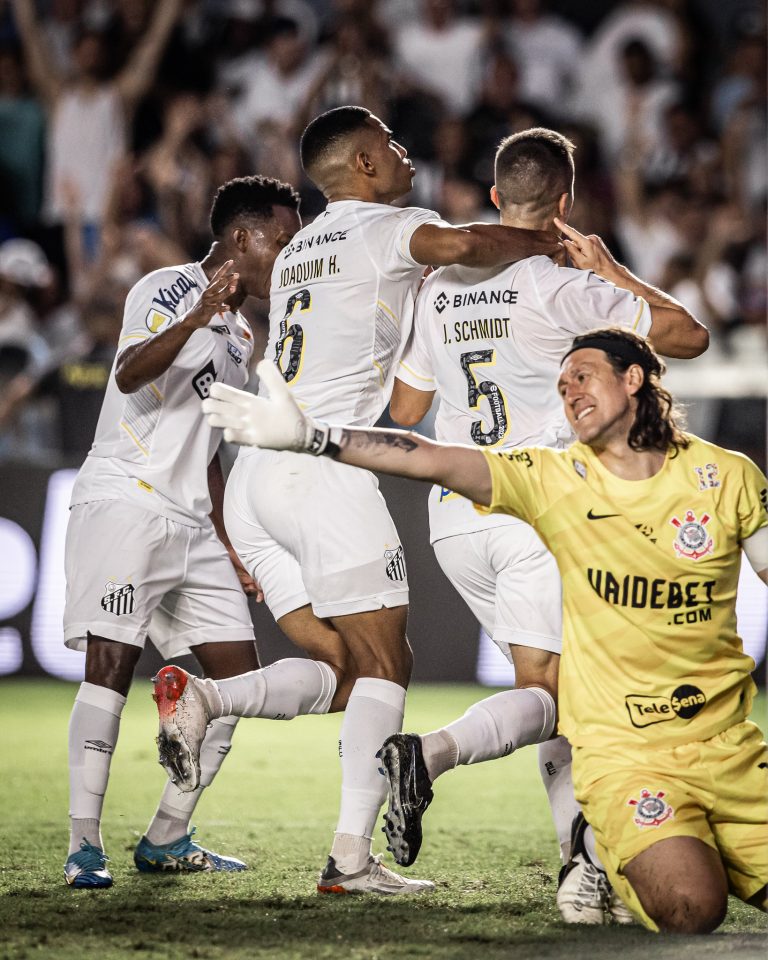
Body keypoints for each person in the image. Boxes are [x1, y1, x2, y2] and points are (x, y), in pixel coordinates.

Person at [201, 326, 767, 935]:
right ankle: (598, 856)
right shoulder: (554, 477)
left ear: (633, 379)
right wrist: (316, 438)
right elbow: (428, 455)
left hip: (727, 745)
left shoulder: (726, 475)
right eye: (562, 382)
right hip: (626, 758)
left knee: (543, 689)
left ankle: (646, 848)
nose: (569, 389)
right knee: (691, 908)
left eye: (583, 374)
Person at [151, 103, 562, 896]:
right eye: (395, 146)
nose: (407, 156)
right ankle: (348, 859)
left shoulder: (301, 246)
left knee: (340, 669)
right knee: (387, 662)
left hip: (254, 479)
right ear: (366, 165)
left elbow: (404, 409)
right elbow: (471, 243)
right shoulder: (386, 226)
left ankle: (207, 695)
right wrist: (551, 242)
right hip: (320, 468)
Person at [381, 127, 708, 922]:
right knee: (558, 694)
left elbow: (406, 411)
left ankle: (581, 873)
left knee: (561, 697)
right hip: (540, 512)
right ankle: (427, 757)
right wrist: (608, 268)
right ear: (564, 203)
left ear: (496, 199)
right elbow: (688, 336)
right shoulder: (561, 286)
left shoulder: (439, 286)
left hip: (456, 517)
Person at [62, 175, 301, 888]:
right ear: (239, 238)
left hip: (195, 522)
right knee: (110, 666)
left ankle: (167, 837)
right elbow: (131, 374)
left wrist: (232, 542)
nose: (286, 259)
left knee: (239, 683)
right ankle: (83, 847)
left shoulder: (246, 333)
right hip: (126, 499)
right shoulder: (166, 289)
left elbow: (214, 445)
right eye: (281, 243)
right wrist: (197, 315)